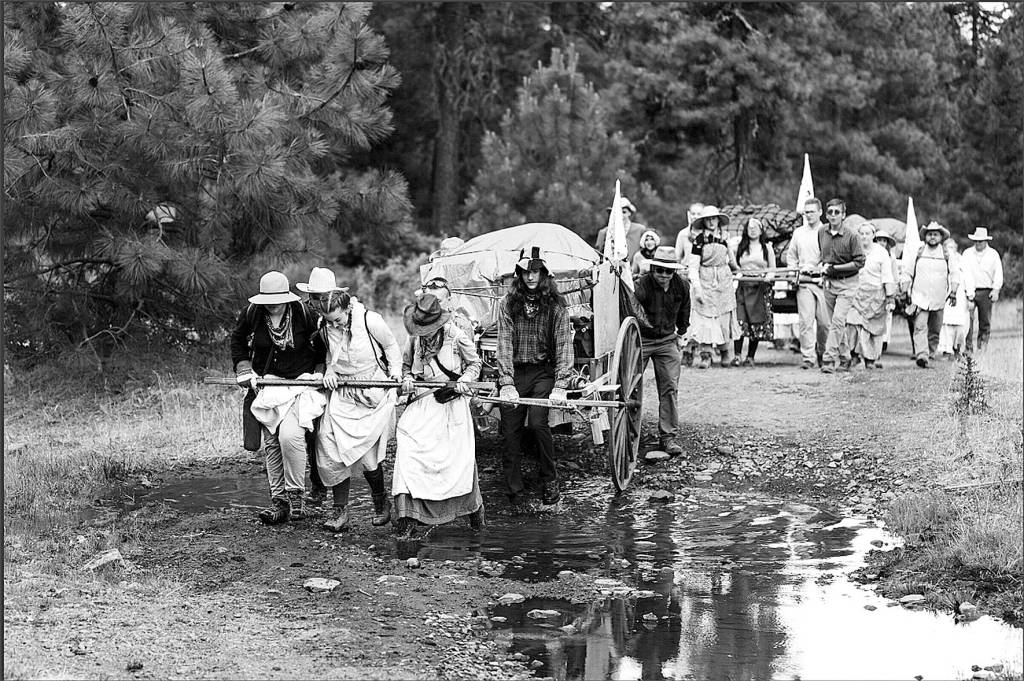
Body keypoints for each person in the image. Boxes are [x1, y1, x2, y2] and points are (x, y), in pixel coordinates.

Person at [302, 268, 403, 531]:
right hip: (343, 393)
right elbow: (329, 355)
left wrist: (395, 374)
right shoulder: (324, 325)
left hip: (371, 391)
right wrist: (330, 372)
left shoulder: (371, 320)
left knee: (369, 459)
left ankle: (381, 503)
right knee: (328, 449)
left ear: (345, 309)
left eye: (337, 320)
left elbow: (392, 347)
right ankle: (340, 512)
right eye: (328, 319)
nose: (333, 324)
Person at [230, 271, 326, 525]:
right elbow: (237, 340)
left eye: (277, 298)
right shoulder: (252, 313)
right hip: (268, 385)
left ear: (287, 297)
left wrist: (320, 372)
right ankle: (279, 501)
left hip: (301, 384)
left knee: (290, 436)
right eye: (267, 299)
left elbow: (324, 346)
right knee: (271, 441)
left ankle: (297, 498)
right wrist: (243, 368)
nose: (272, 303)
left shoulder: (305, 315)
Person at [393, 293, 484, 537]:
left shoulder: (455, 336)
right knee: (408, 450)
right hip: (422, 402)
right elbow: (405, 366)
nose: (425, 332)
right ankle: (408, 516)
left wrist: (465, 379)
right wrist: (408, 378)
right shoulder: (413, 340)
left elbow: (475, 364)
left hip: (449, 402)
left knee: (457, 460)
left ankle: (472, 514)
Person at [496, 246, 573, 514]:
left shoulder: (555, 305)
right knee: (510, 431)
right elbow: (504, 343)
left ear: (543, 274)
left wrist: (561, 385)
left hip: (543, 372)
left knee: (539, 423)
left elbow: (564, 345)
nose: (530, 277)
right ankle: (514, 492)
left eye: (536, 272)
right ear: (519, 274)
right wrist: (506, 382)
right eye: (526, 272)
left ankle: (550, 483)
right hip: (516, 373)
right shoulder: (507, 304)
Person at [633, 246, 690, 455]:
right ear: (653, 268)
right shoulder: (642, 285)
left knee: (669, 387)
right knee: (630, 386)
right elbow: (632, 310)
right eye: (660, 270)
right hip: (643, 340)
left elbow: (685, 310)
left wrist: (681, 332)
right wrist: (645, 329)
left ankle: (668, 437)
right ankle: (631, 432)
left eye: (669, 271)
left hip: (667, 340)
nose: (664, 275)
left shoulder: (682, 286)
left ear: (674, 271)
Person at [686, 205, 740, 369]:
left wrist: (738, 271)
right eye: (708, 219)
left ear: (718, 220)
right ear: (703, 222)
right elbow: (693, 266)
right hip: (706, 280)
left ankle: (724, 352)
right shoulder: (699, 240)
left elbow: (731, 260)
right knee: (706, 319)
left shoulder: (725, 238)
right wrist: (697, 288)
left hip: (723, 281)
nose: (711, 222)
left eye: (713, 218)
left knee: (724, 318)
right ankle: (706, 354)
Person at [818, 199, 865, 374]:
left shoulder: (852, 236)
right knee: (836, 324)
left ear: (843, 215)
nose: (833, 215)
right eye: (830, 212)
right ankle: (846, 357)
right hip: (829, 282)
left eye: (837, 212)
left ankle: (829, 359)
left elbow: (860, 262)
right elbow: (822, 254)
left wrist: (835, 268)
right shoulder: (822, 231)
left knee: (838, 320)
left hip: (848, 282)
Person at [904, 222, 960, 368]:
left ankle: (930, 352)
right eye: (930, 234)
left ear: (941, 237)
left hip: (939, 298)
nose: (932, 237)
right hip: (919, 297)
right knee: (920, 326)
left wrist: (953, 291)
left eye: (935, 234)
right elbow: (908, 271)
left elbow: (954, 274)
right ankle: (922, 355)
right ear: (925, 236)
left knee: (935, 329)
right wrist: (905, 288)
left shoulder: (947, 254)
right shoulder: (919, 251)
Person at [786, 197, 830, 369]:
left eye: (812, 212)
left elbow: (832, 256)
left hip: (823, 282)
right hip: (804, 282)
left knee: (825, 323)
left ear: (820, 212)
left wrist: (822, 269)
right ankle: (808, 357)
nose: (809, 215)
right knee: (805, 321)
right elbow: (791, 256)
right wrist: (793, 273)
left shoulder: (827, 231)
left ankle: (823, 353)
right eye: (806, 212)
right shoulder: (798, 233)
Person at [846, 224, 897, 369]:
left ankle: (870, 360)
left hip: (876, 295)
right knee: (853, 324)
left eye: (867, 233)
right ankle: (854, 356)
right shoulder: (853, 249)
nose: (864, 236)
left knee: (873, 329)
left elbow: (887, 275)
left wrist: (890, 297)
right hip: (857, 293)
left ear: (873, 235)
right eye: (861, 233)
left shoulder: (881, 252)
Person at [732, 218, 776, 366]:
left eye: (755, 227)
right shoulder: (740, 246)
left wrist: (768, 278)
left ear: (761, 230)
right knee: (740, 319)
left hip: (760, 287)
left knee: (755, 321)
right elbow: (734, 264)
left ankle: (750, 356)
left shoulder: (767, 248)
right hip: (743, 285)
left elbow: (772, 269)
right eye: (749, 227)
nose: (752, 230)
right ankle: (737, 355)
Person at [960, 226, 1003, 353]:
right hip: (970, 290)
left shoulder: (993, 254)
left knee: (985, 321)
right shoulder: (967, 253)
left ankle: (982, 346)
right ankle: (968, 348)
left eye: (981, 241)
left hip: (986, 291)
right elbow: (964, 273)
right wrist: (968, 293)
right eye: (976, 241)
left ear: (986, 241)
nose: (978, 243)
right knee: (968, 321)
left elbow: (998, 273)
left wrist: (996, 290)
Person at [938, 238, 971, 360]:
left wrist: (970, 296)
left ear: (956, 249)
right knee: (945, 324)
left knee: (960, 325)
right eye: (947, 248)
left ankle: (958, 349)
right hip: (944, 296)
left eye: (952, 247)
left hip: (960, 296)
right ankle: (947, 350)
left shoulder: (962, 262)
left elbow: (968, 278)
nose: (949, 251)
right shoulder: (941, 262)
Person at [594, 197, 648, 263]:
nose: (620, 215)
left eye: (624, 212)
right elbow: (596, 256)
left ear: (629, 213)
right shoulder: (604, 232)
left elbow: (646, 253)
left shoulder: (640, 230)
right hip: (611, 270)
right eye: (617, 212)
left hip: (634, 271)